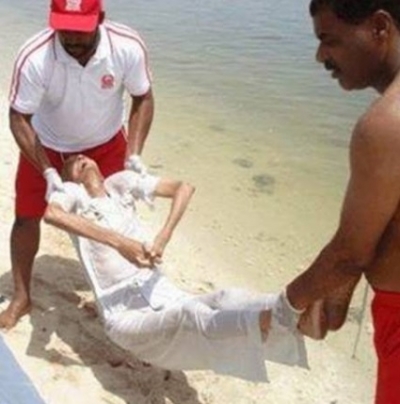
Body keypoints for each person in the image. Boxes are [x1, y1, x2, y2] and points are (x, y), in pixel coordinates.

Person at [43, 154, 313, 382]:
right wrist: (121, 243)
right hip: (124, 314)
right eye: (72, 163)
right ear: (70, 179)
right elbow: (52, 214)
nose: (79, 158)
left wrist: (163, 236)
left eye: (83, 156)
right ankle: (280, 317)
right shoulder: (74, 196)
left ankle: (295, 310)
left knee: (224, 297)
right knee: (191, 315)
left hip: (162, 291)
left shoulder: (120, 184)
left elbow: (184, 188)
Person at [1, 0, 154, 329]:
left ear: (100, 18)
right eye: (64, 28)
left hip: (107, 144)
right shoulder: (35, 56)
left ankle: (120, 294)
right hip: (47, 146)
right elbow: (19, 117)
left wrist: (135, 154)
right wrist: (46, 170)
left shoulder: (126, 46)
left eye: (80, 30)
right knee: (27, 217)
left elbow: (143, 96)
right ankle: (22, 297)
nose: (71, 38)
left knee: (117, 218)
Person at [282, 1, 400, 403]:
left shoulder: (385, 124)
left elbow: (349, 254)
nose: (320, 56)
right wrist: (333, 297)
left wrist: (283, 309)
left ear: (380, 27)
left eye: (329, 40)